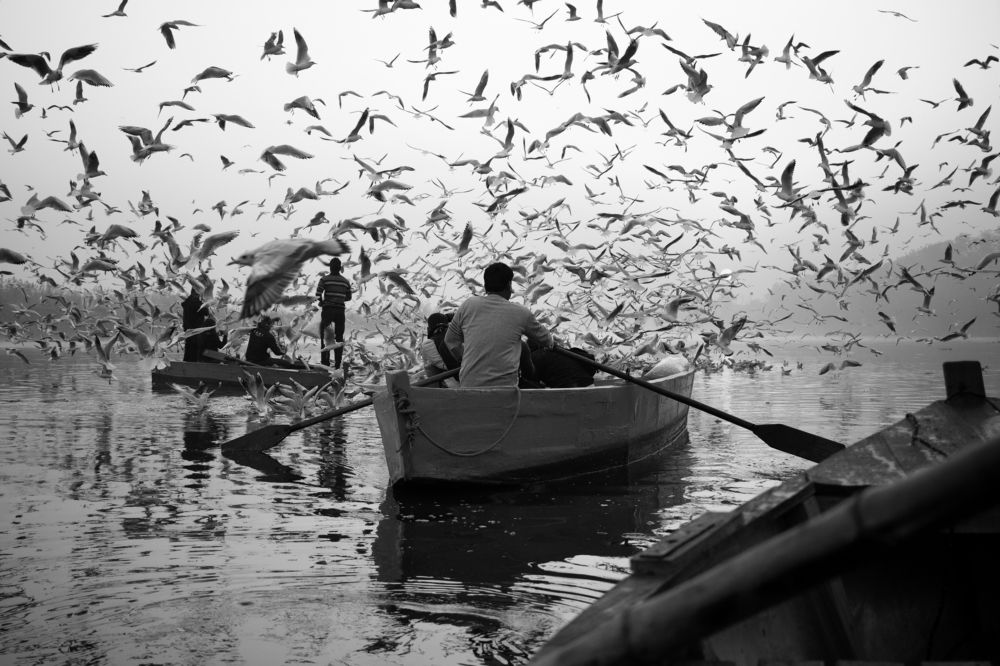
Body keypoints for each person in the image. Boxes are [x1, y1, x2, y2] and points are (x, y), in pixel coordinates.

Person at [444, 262, 554, 388]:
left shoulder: (468, 305)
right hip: (504, 389)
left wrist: (465, 360)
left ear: (486, 285)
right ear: (509, 285)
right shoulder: (520, 312)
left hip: (469, 385)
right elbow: (547, 340)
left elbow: (450, 340)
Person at [315, 257, 352, 368]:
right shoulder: (345, 281)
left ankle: (325, 363)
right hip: (340, 311)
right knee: (339, 338)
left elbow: (318, 294)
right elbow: (349, 297)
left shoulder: (324, 279)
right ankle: (337, 365)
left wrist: (322, 302)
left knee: (325, 336)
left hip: (328, 310)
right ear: (340, 268)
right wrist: (339, 299)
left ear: (330, 267)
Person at [528, 342, 597, 388]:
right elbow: (591, 362)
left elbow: (531, 383)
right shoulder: (561, 350)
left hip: (566, 393)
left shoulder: (534, 357)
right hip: (590, 387)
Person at [420, 312, 460, 387]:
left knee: (429, 366)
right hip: (474, 370)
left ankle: (436, 390)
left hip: (456, 381)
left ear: (429, 328)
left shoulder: (427, 345)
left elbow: (440, 366)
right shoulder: (458, 333)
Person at [181, 289, 206, 362]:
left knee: (188, 347)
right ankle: (193, 363)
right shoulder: (197, 302)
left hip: (187, 329)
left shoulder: (187, 302)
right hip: (196, 330)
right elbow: (206, 312)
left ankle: (186, 362)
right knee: (195, 349)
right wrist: (204, 302)